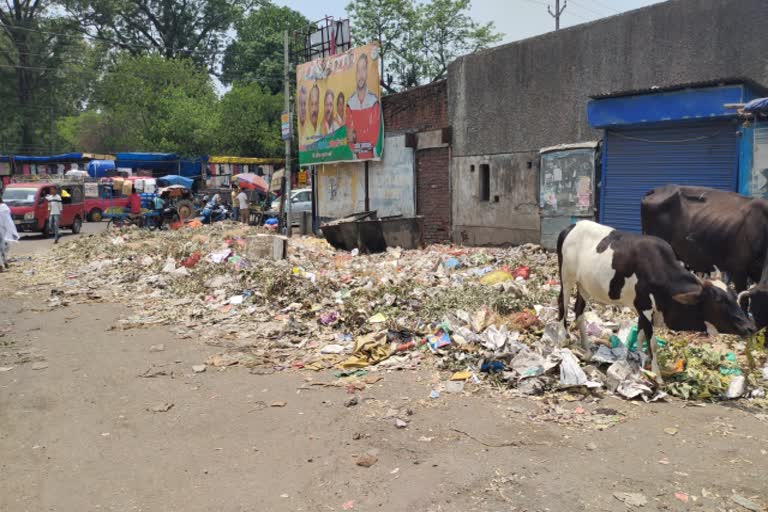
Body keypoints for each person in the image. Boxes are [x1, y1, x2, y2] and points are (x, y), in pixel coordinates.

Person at [346, 52, 381, 160]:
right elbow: (350, 134)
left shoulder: (374, 101)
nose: (361, 75)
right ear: (355, 74)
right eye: (358, 70)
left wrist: (362, 144)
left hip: (372, 155)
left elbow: (373, 134)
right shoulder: (350, 103)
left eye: (364, 69)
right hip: (355, 156)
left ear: (367, 73)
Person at [0, 196, 19, 270]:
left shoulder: (3, 209)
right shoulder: (5, 208)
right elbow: (9, 222)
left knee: (3, 247)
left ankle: (3, 263)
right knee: (4, 247)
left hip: (3, 230)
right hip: (4, 230)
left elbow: (7, 221)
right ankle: (3, 263)